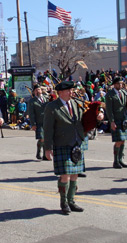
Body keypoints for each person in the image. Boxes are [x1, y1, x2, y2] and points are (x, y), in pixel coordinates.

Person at [44, 81, 86, 215]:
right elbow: (48, 128)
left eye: (71, 90)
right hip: (62, 143)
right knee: (65, 176)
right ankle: (64, 203)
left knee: (75, 175)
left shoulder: (76, 103)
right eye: (68, 91)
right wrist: (48, 147)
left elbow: (83, 119)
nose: (71, 92)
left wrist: (98, 115)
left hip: (76, 143)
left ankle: (72, 201)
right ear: (60, 93)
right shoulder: (52, 107)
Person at [105, 77, 127, 169]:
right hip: (116, 119)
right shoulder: (109, 94)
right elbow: (109, 110)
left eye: (121, 83)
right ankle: (116, 161)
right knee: (118, 141)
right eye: (118, 84)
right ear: (114, 84)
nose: (120, 85)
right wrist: (112, 121)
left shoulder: (124, 93)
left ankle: (121, 159)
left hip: (124, 119)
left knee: (123, 140)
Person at [28, 84, 49, 160]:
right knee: (42, 138)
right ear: (34, 92)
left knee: (46, 139)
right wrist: (33, 124)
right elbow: (31, 113)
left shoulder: (46, 98)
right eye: (36, 90)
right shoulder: (32, 101)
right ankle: (38, 152)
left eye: (39, 89)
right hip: (38, 122)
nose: (38, 91)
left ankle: (44, 155)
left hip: (47, 122)